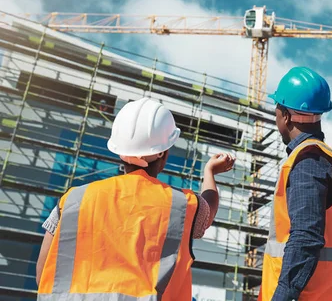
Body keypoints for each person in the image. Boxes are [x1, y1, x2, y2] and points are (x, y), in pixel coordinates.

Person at [36, 97, 235, 300]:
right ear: (163, 153)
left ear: (120, 152)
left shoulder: (72, 199)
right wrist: (210, 171)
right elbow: (208, 210)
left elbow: (44, 271)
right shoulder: (183, 204)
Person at [258, 67, 332, 300]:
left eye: (277, 109)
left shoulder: (308, 161)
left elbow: (306, 238)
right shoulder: (323, 159)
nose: (275, 116)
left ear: (286, 116)